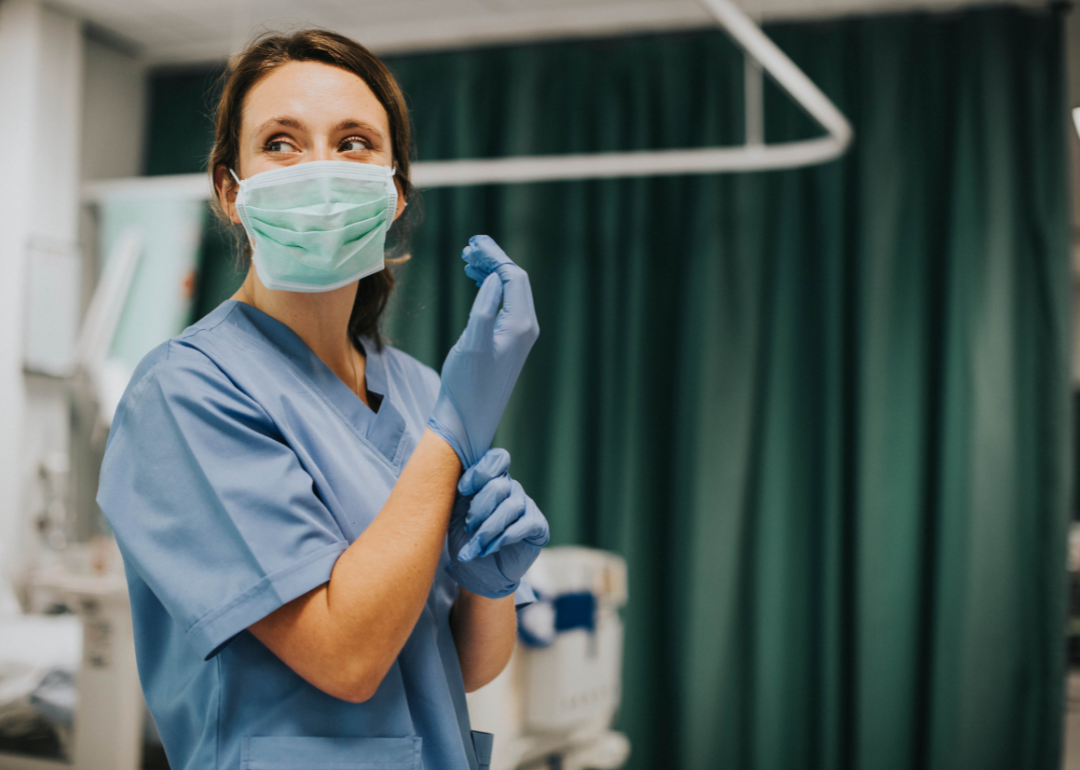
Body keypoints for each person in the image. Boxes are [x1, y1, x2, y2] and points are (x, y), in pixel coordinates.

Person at [96, 29, 549, 770]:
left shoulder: (419, 391)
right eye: (280, 142)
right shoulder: (184, 393)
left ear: (394, 191)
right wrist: (451, 436)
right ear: (229, 191)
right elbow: (346, 657)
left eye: (354, 143)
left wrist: (488, 585)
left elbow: (455, 669)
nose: (319, 170)